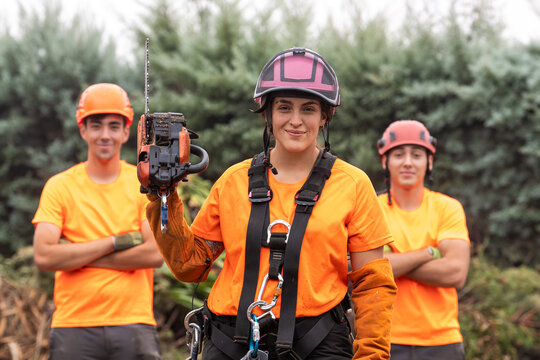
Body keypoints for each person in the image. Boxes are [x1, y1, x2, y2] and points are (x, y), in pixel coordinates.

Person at [146, 47, 397, 360]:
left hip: (319, 344)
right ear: (267, 113)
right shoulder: (233, 182)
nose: (295, 120)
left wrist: (372, 355)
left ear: (325, 116)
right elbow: (190, 265)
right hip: (230, 342)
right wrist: (162, 194)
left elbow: (372, 283)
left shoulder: (353, 185)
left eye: (308, 109)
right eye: (284, 108)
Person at [32, 83, 164, 360]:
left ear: (126, 132)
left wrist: (76, 255)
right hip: (73, 327)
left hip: (134, 324)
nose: (105, 135)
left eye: (114, 126)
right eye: (96, 125)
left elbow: (154, 253)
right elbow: (44, 255)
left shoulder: (144, 186)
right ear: (83, 130)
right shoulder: (60, 187)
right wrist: (117, 242)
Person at [376, 120, 471, 360]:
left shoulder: (447, 208)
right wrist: (429, 253)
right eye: (398, 154)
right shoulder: (371, 209)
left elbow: (456, 273)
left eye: (417, 155)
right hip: (381, 340)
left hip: (442, 343)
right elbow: (359, 267)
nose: (408, 162)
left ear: (429, 162)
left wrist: (391, 262)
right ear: (384, 161)